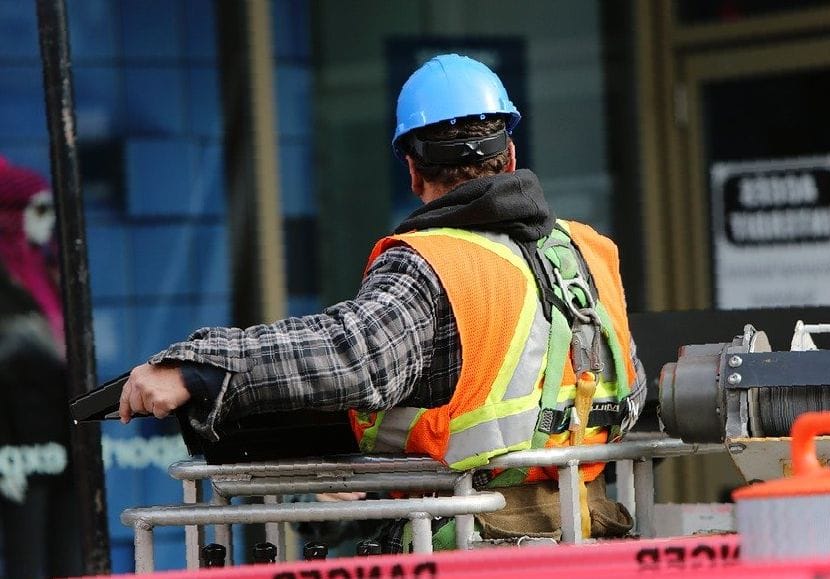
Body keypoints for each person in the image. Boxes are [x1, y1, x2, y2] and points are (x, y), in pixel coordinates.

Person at [119, 54, 646, 549]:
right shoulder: (585, 252)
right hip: (588, 533)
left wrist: (200, 369)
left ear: (414, 171)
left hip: (473, 540)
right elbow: (628, 389)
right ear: (509, 155)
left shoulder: (432, 262)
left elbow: (354, 355)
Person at [0, 157, 81, 578]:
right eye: (40, 209)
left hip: (63, 438)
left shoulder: (49, 273)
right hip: (17, 447)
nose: (48, 222)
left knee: (71, 557)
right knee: (27, 559)